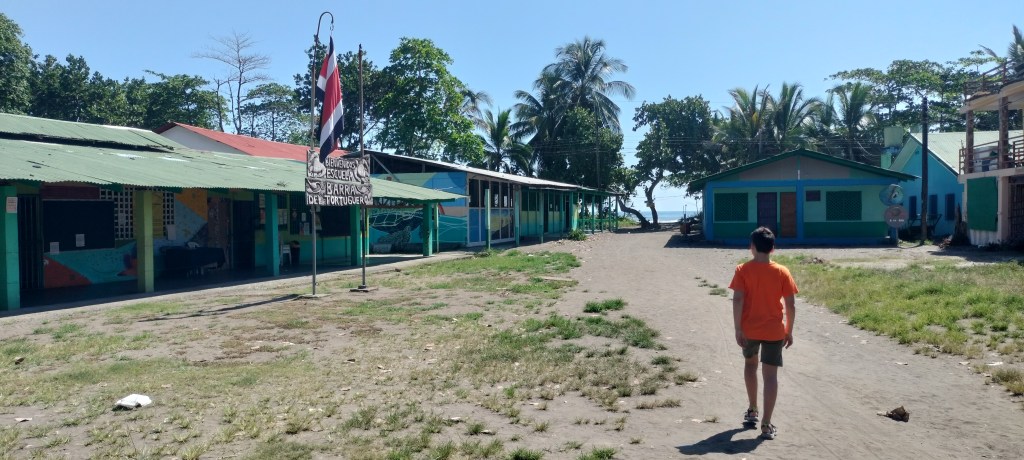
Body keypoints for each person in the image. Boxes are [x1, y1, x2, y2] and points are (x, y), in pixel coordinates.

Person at [728, 226, 797, 440]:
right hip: (774, 331)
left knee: (750, 366)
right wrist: (789, 330)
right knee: (770, 376)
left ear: (752, 247)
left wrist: (738, 328)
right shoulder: (782, 271)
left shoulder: (742, 270)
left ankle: (752, 409)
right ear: (773, 248)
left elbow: (737, 299)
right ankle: (766, 424)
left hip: (749, 329)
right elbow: (791, 304)